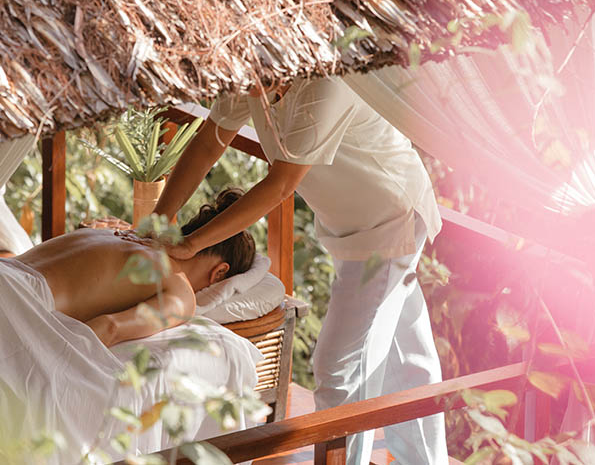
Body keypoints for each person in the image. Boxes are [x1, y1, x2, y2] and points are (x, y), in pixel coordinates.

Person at [154, 75, 448, 465]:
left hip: (390, 220)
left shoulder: (324, 86)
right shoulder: (249, 75)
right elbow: (210, 141)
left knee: (340, 368)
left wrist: (192, 242)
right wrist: (157, 221)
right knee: (407, 360)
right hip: (350, 225)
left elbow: (280, 185)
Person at [15, 187, 255, 346]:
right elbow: (109, 328)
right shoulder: (181, 293)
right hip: (13, 308)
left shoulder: (119, 232)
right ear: (221, 272)